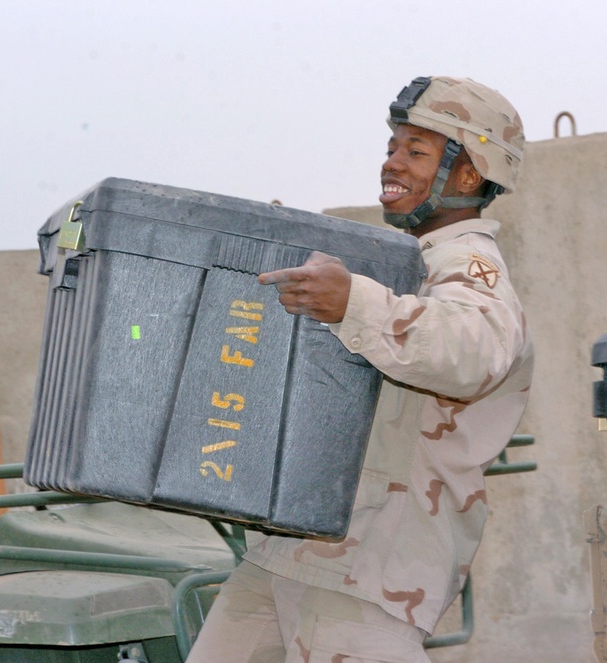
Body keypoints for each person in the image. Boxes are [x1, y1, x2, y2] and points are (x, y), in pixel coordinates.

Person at [186, 76, 535, 662]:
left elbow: (475, 351)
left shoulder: (471, 266)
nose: (391, 163)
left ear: (469, 174)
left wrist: (353, 302)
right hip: (297, 545)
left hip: (372, 557)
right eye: (392, 147)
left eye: (416, 151)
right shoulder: (403, 261)